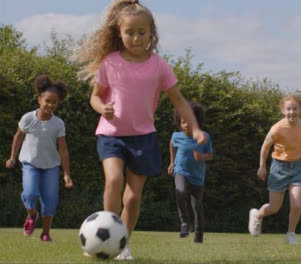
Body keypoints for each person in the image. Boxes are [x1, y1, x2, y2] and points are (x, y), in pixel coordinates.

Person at [74, 0, 207, 260]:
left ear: (151, 33)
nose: (135, 38)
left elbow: (178, 100)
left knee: (133, 199)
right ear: (119, 33)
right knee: (113, 180)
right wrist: (102, 109)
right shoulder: (109, 63)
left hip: (143, 137)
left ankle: (123, 244)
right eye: (129, 32)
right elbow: (95, 97)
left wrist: (195, 128)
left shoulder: (159, 66)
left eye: (141, 33)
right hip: (111, 134)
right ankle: (106, 235)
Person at [5, 75, 73, 242]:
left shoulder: (58, 124)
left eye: (54, 102)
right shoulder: (28, 118)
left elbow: (63, 150)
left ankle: (45, 233)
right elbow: (18, 137)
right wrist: (12, 157)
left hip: (51, 166)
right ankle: (32, 215)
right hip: (30, 164)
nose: (50, 105)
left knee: (50, 201)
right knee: (29, 193)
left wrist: (66, 174)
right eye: (47, 101)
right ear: (39, 100)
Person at [248, 95, 301, 244]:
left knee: (296, 204)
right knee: (274, 208)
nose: (292, 112)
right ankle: (257, 215)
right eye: (288, 109)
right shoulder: (277, 128)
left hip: (297, 168)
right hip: (279, 169)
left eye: (295, 108)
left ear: (300, 110)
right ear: (283, 110)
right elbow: (265, 146)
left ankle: (291, 234)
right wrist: (262, 166)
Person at [168, 102, 213, 243]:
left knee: (197, 206)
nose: (186, 125)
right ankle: (184, 223)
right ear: (179, 122)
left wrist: (201, 157)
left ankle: (198, 236)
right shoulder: (176, 136)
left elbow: (210, 155)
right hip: (181, 171)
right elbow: (171, 144)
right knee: (180, 191)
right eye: (183, 122)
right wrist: (171, 162)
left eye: (189, 122)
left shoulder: (204, 137)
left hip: (197, 177)